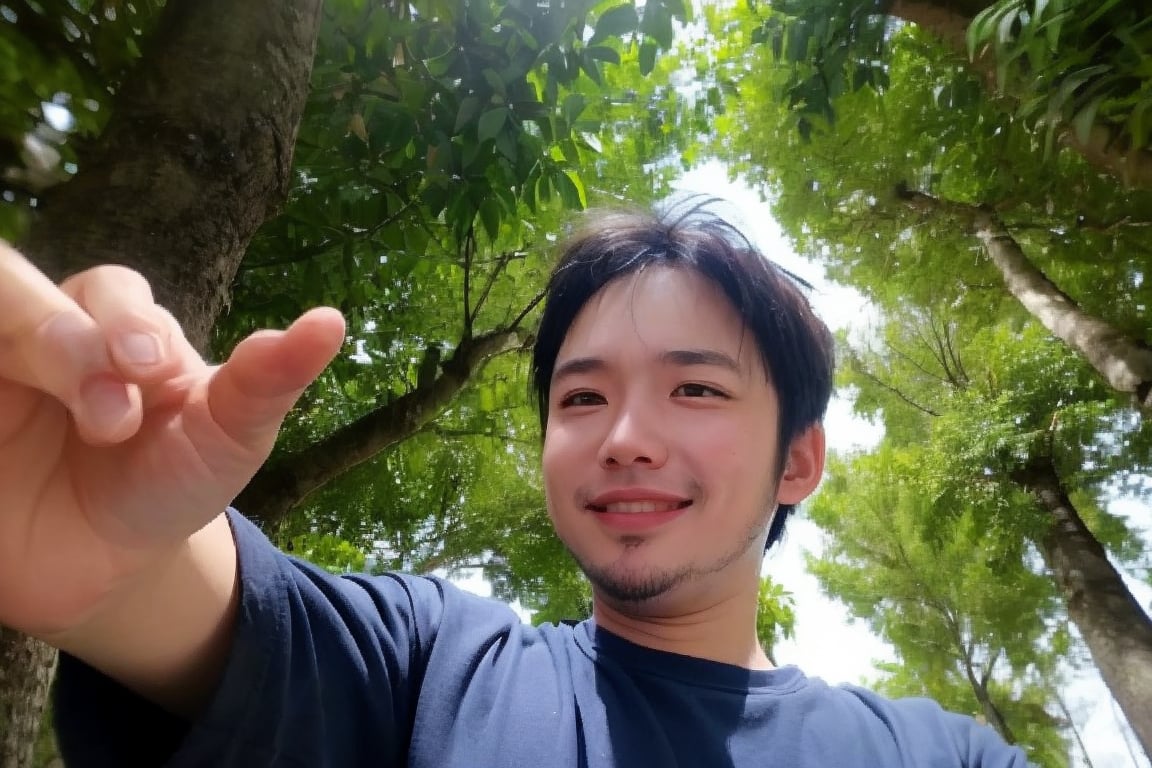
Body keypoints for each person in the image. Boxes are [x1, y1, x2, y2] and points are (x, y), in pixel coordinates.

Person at [0, 205, 1030, 767]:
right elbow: (206, 610)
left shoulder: (945, 755)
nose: (624, 437)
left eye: (696, 388)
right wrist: (112, 559)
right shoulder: (430, 670)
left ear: (798, 460)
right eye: (581, 401)